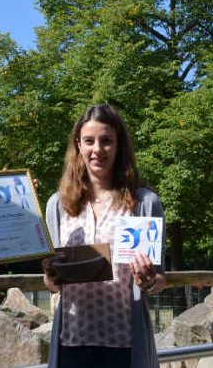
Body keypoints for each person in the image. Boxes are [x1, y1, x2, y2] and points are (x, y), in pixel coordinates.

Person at [42, 104, 166, 368]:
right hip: (72, 341)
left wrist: (148, 281)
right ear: (78, 145)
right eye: (89, 141)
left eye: (106, 141)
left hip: (124, 342)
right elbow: (53, 284)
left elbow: (158, 280)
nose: (97, 150)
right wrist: (51, 276)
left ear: (119, 145)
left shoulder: (144, 202)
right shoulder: (58, 205)